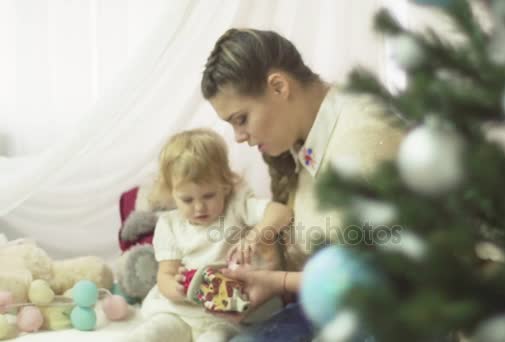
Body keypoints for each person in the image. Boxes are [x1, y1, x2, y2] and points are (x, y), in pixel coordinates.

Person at [201, 28, 405, 341]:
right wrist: (269, 267)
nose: (239, 137)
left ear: (279, 86)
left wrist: (278, 282)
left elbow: (372, 277)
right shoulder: (304, 142)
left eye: (241, 119)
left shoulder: (363, 138)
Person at [122, 128, 292, 342]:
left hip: (225, 316)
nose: (199, 207)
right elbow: (165, 275)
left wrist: (254, 236)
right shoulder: (170, 224)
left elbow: (281, 212)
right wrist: (178, 289)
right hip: (179, 312)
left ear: (224, 184)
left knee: (215, 338)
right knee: (150, 333)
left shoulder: (237, 206)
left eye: (209, 195)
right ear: (171, 194)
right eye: (187, 200)